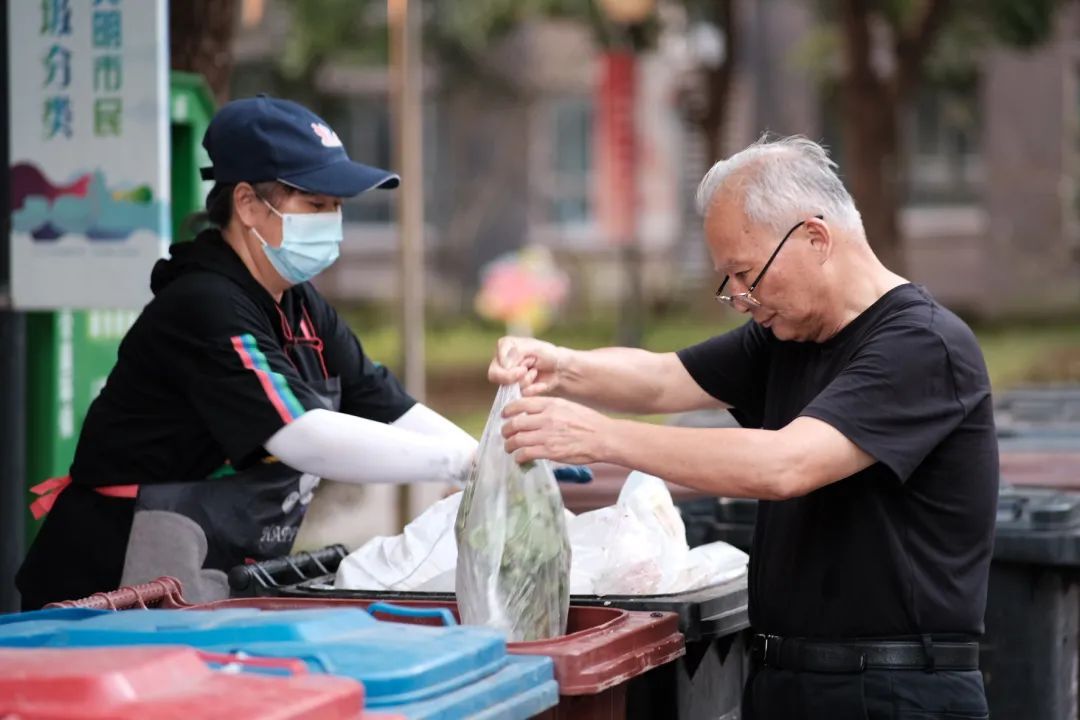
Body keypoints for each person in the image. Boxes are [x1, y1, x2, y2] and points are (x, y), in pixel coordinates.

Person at [490, 136, 996, 719]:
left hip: (892, 690)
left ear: (815, 238)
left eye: (744, 272)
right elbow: (661, 380)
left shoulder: (921, 345)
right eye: (727, 278)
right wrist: (561, 365)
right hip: (787, 679)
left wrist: (603, 438)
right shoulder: (789, 335)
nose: (737, 296)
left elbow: (785, 465)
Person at [17, 96, 477, 609]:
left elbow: (385, 404)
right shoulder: (205, 303)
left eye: (338, 207)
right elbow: (302, 435)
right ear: (248, 204)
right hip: (108, 585)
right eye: (316, 204)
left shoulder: (299, 305)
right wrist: (461, 462)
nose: (333, 222)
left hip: (206, 577)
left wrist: (494, 460)